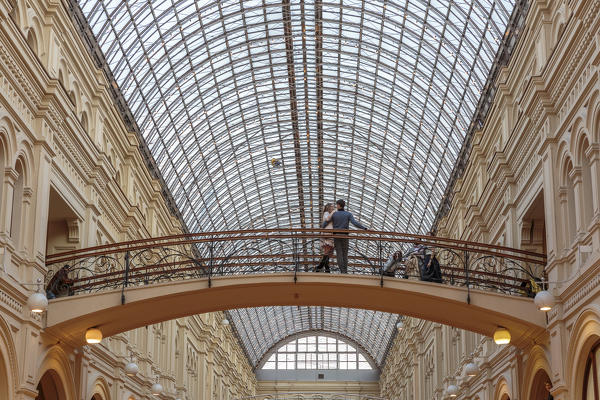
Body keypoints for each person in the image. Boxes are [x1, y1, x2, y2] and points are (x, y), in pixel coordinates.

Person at [322, 199, 368, 273]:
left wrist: (322, 228)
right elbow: (354, 223)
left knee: (339, 254)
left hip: (336, 236)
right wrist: (364, 228)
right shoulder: (348, 214)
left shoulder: (334, 214)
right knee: (345, 254)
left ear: (339, 205)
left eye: (337, 205)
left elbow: (325, 223)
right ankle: (345, 271)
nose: (336, 206)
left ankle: (342, 271)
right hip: (345, 236)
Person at [315, 203, 334, 272]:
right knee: (327, 251)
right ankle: (323, 267)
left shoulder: (328, 214)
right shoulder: (326, 213)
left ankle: (323, 266)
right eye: (332, 207)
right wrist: (333, 213)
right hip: (327, 234)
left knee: (328, 251)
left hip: (329, 234)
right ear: (328, 208)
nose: (333, 208)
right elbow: (327, 220)